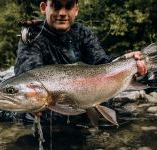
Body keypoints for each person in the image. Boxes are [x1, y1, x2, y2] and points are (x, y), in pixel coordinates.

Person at [14, 0, 147, 126]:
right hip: (49, 115)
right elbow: (27, 73)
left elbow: (102, 63)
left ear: (76, 9)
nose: (62, 13)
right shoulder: (32, 36)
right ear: (44, 7)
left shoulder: (83, 33)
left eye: (69, 6)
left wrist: (125, 59)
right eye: (56, 5)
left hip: (85, 105)